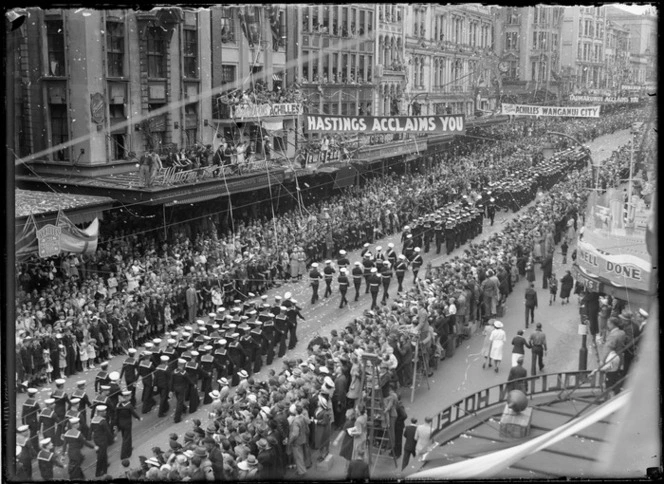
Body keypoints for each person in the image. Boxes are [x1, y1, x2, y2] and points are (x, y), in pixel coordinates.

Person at [116, 390, 142, 460]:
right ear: (127, 397)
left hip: (121, 423)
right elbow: (133, 413)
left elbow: (116, 415)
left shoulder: (119, 405)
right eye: (129, 396)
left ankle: (129, 448)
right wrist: (139, 418)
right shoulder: (129, 405)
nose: (130, 397)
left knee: (124, 437)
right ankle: (124, 454)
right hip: (127, 424)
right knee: (127, 438)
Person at [90, 405, 114, 477]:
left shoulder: (93, 419)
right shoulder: (103, 421)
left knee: (103, 454)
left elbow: (90, 430)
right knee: (101, 455)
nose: (105, 412)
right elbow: (108, 432)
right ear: (101, 412)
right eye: (104, 411)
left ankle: (105, 467)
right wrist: (112, 439)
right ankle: (99, 472)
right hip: (102, 440)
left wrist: (88, 437)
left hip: (96, 439)